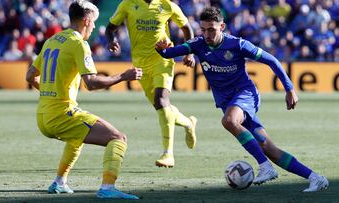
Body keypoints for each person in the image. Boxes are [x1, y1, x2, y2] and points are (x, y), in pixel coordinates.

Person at [155, 7, 329, 192]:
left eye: (211, 29)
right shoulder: (198, 44)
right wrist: (162, 48)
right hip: (228, 102)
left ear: (222, 26)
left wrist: (290, 88)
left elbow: (272, 61)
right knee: (268, 147)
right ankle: (315, 178)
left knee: (229, 121)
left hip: (245, 94)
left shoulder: (237, 44)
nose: (207, 34)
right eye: (203, 30)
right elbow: (169, 53)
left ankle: (265, 166)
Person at [25, 0, 142, 199]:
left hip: (42, 115)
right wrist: (123, 77)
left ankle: (59, 182)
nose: (95, 26)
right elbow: (91, 83)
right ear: (87, 21)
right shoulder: (79, 43)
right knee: (118, 138)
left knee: (76, 138)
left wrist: (49, 93)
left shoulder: (52, 40)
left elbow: (30, 76)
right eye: (94, 22)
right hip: (61, 114)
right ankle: (107, 188)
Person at [105, 0, 197, 168]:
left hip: (163, 59)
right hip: (140, 64)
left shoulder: (167, 5)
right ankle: (188, 123)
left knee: (162, 100)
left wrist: (189, 52)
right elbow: (110, 27)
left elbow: (187, 28)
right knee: (161, 107)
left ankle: (168, 154)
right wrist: (111, 40)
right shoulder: (127, 4)